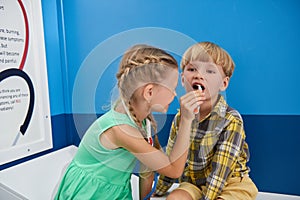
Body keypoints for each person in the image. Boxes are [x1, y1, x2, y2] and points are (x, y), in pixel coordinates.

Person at [54, 44, 205, 200]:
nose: (174, 94)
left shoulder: (142, 121)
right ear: (149, 92)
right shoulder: (121, 129)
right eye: (172, 88)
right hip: (88, 194)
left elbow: (147, 173)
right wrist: (187, 120)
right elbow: (174, 170)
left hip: (115, 193)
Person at [154, 41, 258, 200]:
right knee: (174, 198)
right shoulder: (180, 118)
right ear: (183, 79)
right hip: (194, 182)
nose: (198, 75)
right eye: (191, 69)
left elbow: (220, 172)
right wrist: (159, 191)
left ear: (223, 83)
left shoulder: (231, 119)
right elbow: (173, 157)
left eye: (210, 71)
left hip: (231, 182)